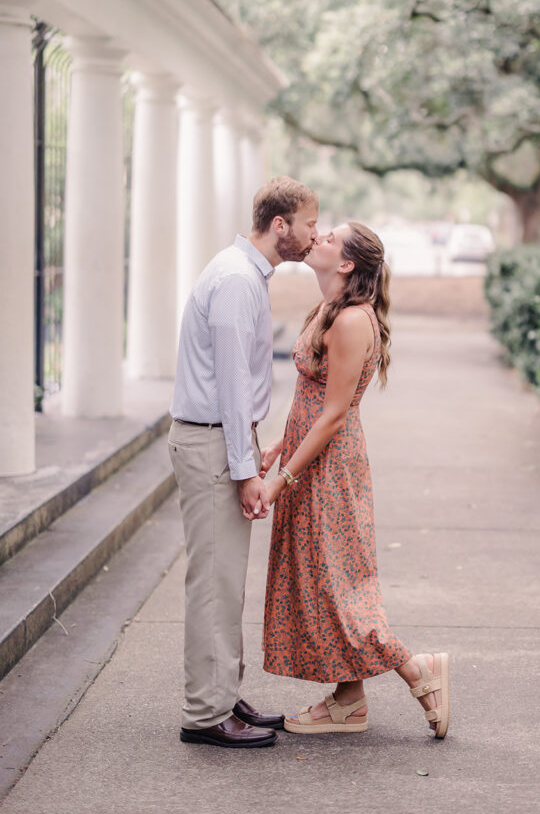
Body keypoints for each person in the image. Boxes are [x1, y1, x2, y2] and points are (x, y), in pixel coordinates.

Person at [258, 222, 450, 739]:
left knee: (339, 586)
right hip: (306, 455)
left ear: (345, 264)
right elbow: (309, 401)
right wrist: (280, 443)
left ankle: (417, 670)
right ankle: (348, 700)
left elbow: (335, 414)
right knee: (321, 582)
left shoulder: (350, 322)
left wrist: (282, 480)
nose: (317, 236)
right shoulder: (326, 310)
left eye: (331, 237)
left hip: (328, 469)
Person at [168, 176, 319, 749]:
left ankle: (223, 694)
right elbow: (232, 386)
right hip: (212, 441)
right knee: (214, 582)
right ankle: (204, 715)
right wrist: (246, 471)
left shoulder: (244, 274)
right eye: (309, 223)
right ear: (280, 225)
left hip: (220, 438)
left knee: (225, 580)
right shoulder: (235, 281)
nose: (314, 234)